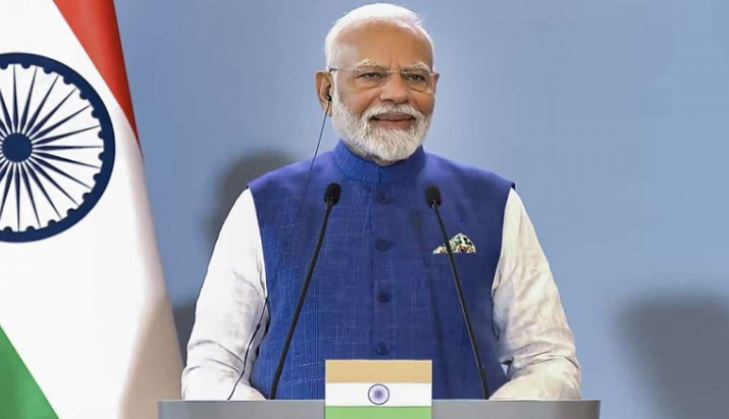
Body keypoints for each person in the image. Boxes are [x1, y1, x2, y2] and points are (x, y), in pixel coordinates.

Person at [182, 3, 580, 400]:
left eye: (415, 77)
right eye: (371, 74)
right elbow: (213, 368)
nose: (397, 93)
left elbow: (549, 360)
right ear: (326, 90)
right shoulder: (263, 207)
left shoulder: (493, 204)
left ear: (434, 87)